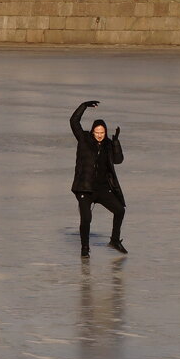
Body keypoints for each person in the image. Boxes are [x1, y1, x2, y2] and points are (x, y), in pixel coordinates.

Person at [70, 100, 126, 258]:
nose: (100, 135)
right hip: (85, 188)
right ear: (93, 131)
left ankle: (114, 241)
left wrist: (115, 144)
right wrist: (83, 106)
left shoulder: (109, 144)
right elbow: (73, 121)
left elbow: (118, 160)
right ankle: (85, 247)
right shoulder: (84, 139)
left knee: (120, 210)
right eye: (97, 132)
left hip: (102, 189)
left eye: (102, 132)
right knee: (86, 218)